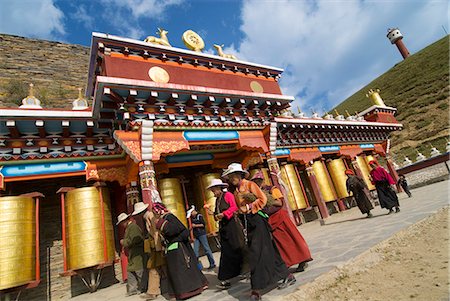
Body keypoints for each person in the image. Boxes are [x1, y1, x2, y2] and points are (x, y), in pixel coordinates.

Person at [222, 163, 295, 301]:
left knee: (255, 253)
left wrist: (250, 206)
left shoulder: (250, 185)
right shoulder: (236, 191)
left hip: (258, 220)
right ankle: (287, 275)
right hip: (249, 222)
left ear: (239, 174)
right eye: (229, 177)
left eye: (233, 176)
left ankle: (256, 290)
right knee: (269, 250)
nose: (231, 179)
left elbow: (263, 199)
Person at [250, 171, 312, 272]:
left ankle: (302, 259)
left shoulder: (272, 189)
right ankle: (285, 263)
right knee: (280, 244)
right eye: (255, 181)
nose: (257, 183)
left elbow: (279, 203)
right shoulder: (256, 194)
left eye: (258, 181)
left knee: (291, 240)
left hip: (280, 218)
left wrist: (267, 200)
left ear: (263, 180)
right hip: (269, 220)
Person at [153, 202, 208, 300]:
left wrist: (162, 226)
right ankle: (178, 292)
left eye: (155, 212)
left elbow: (180, 229)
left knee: (182, 269)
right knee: (175, 271)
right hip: (171, 248)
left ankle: (189, 290)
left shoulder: (169, 217)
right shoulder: (163, 219)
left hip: (179, 248)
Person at [206, 179, 245, 290]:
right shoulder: (217, 200)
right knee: (226, 252)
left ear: (219, 188)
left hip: (233, 226)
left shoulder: (228, 195)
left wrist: (224, 214)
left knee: (238, 248)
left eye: (214, 190)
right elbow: (217, 214)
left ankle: (244, 269)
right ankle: (226, 277)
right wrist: (213, 214)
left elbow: (234, 208)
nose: (213, 193)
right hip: (224, 228)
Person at [131, 202, 165, 300]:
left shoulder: (150, 216)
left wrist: (158, 246)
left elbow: (155, 232)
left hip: (156, 245)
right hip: (154, 246)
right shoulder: (148, 217)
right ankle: (154, 291)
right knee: (158, 267)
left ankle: (153, 291)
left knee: (154, 267)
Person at [117, 212, 145, 296]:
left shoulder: (133, 227)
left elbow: (135, 239)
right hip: (132, 254)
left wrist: (124, 242)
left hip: (137, 253)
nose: (121, 225)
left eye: (121, 223)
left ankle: (144, 287)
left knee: (139, 271)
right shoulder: (129, 228)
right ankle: (133, 289)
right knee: (130, 271)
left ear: (124, 221)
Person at [187, 206, 216, 270]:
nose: (191, 215)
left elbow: (203, 224)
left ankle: (212, 263)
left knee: (206, 249)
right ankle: (198, 267)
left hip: (202, 234)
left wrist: (195, 225)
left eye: (191, 213)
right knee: (195, 252)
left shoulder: (199, 216)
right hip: (196, 236)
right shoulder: (191, 218)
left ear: (193, 211)